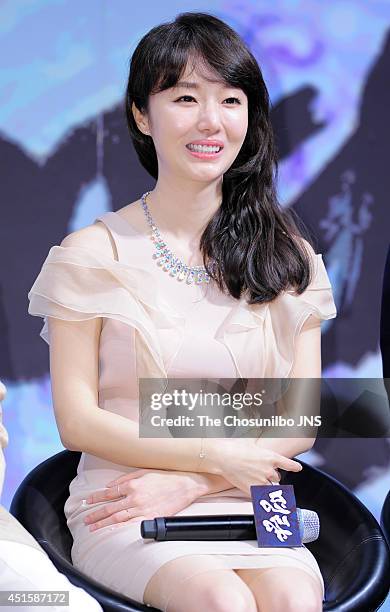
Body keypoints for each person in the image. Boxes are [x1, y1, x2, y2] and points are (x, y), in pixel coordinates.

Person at [27, 11, 337, 612]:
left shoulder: (289, 258)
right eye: (186, 97)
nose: (211, 121)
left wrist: (200, 478)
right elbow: (77, 421)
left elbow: (298, 420)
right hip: (129, 493)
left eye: (230, 99)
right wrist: (207, 455)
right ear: (142, 115)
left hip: (249, 492)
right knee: (221, 600)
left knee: (293, 601)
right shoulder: (92, 254)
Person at [0, 381, 103, 612]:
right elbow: (77, 426)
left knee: (63, 605)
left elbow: (193, 418)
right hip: (121, 504)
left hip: (193, 492)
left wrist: (197, 478)